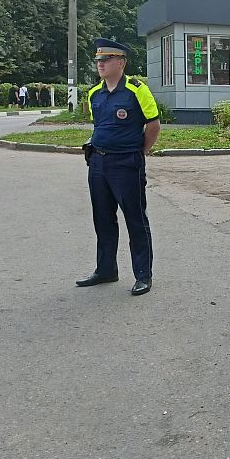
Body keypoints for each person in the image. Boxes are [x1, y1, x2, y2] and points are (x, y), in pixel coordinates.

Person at [76, 38, 161, 297]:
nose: (100, 64)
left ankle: (143, 275)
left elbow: (153, 124)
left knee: (135, 218)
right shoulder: (94, 93)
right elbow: (100, 127)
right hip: (99, 162)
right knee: (102, 218)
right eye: (98, 61)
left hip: (126, 163)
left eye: (106, 60)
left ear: (121, 62)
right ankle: (106, 269)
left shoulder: (137, 90)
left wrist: (140, 152)